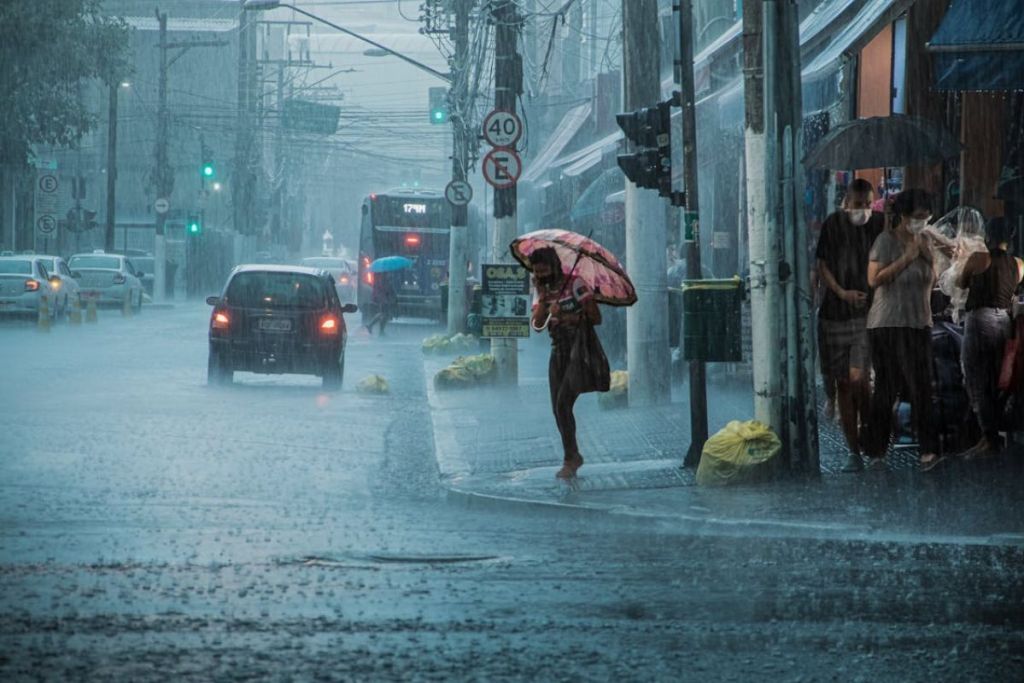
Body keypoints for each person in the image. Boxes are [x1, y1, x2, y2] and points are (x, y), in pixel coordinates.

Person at [863, 189, 940, 470]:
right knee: (887, 388)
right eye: (918, 217)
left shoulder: (925, 240)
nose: (922, 221)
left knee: (922, 387)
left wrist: (929, 254)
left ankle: (929, 451)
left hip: (919, 322)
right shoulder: (886, 241)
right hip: (888, 324)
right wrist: (907, 257)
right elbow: (874, 280)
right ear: (904, 216)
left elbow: (933, 278)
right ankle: (876, 450)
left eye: (926, 216)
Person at [814, 178, 885, 472]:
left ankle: (871, 438)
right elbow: (821, 265)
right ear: (846, 203)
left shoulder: (881, 223)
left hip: (867, 315)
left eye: (868, 204)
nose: (863, 210)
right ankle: (853, 450)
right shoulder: (833, 224)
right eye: (858, 205)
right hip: (835, 313)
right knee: (844, 383)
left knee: (860, 379)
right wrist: (842, 292)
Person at [529, 247, 609, 480]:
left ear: (555, 266)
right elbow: (536, 326)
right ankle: (572, 454)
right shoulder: (542, 290)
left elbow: (595, 317)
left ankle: (570, 458)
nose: (542, 276)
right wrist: (543, 301)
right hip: (558, 352)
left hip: (578, 350)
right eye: (537, 272)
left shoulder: (576, 284)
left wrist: (564, 315)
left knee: (564, 404)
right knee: (557, 408)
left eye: (545, 271)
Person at [957, 217, 1024, 458]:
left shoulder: (978, 258)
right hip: (1004, 322)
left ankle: (988, 438)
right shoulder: (1019, 264)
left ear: (987, 236)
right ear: (1012, 237)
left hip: (980, 320)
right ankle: (994, 433)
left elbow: (960, 282)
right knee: (999, 379)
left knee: (976, 378)